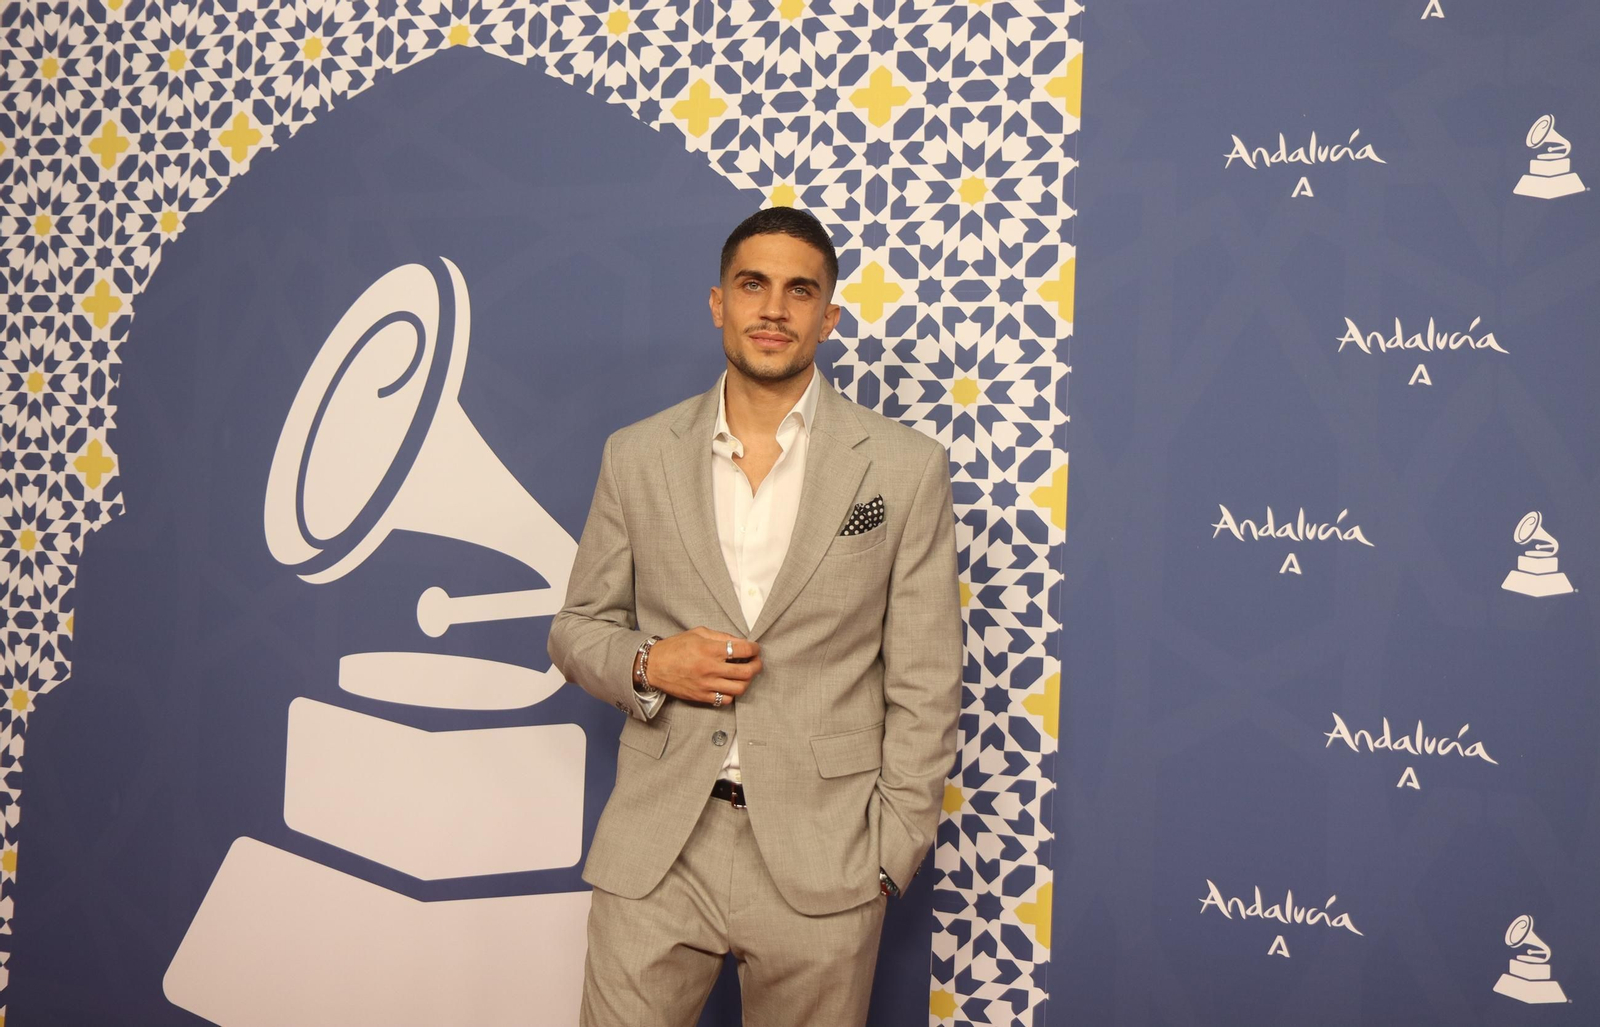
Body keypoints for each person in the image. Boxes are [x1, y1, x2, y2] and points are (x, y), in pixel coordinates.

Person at [548, 206, 962, 1026]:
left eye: (799, 290)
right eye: (753, 284)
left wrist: (889, 855)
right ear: (718, 302)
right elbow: (576, 627)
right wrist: (649, 663)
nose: (774, 308)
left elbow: (926, 678)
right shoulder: (636, 454)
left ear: (828, 316)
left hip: (827, 859)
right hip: (658, 849)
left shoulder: (907, 468)